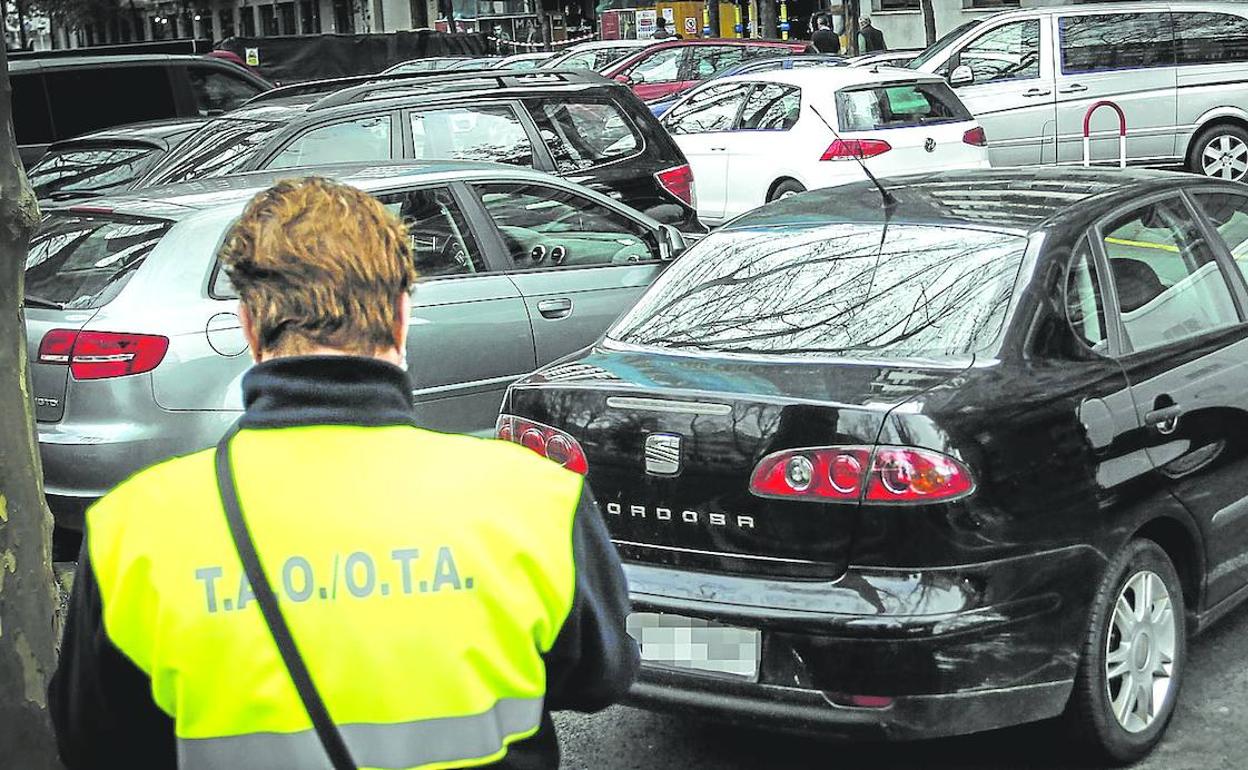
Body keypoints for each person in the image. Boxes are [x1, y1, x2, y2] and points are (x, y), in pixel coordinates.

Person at [48, 176, 639, 770]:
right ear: (403, 316)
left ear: (250, 328)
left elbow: (95, 744)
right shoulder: (536, 499)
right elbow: (599, 678)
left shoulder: (134, 531)